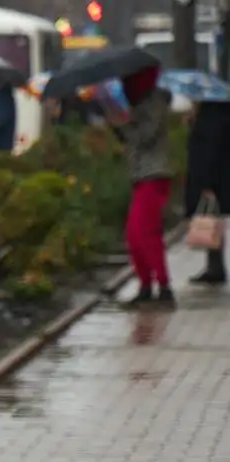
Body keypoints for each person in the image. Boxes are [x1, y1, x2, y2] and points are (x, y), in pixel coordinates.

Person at [117, 65, 173, 306]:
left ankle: (163, 287)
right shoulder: (140, 102)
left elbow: (144, 137)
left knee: (146, 233)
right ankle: (146, 285)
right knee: (134, 235)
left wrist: (123, 123)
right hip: (141, 175)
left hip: (154, 174)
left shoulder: (154, 103)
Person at [184, 101, 230, 285]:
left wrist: (207, 184)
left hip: (210, 178)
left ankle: (216, 268)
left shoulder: (211, 115)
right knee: (213, 219)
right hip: (215, 177)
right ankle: (215, 266)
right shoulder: (213, 113)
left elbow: (210, 149)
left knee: (211, 218)